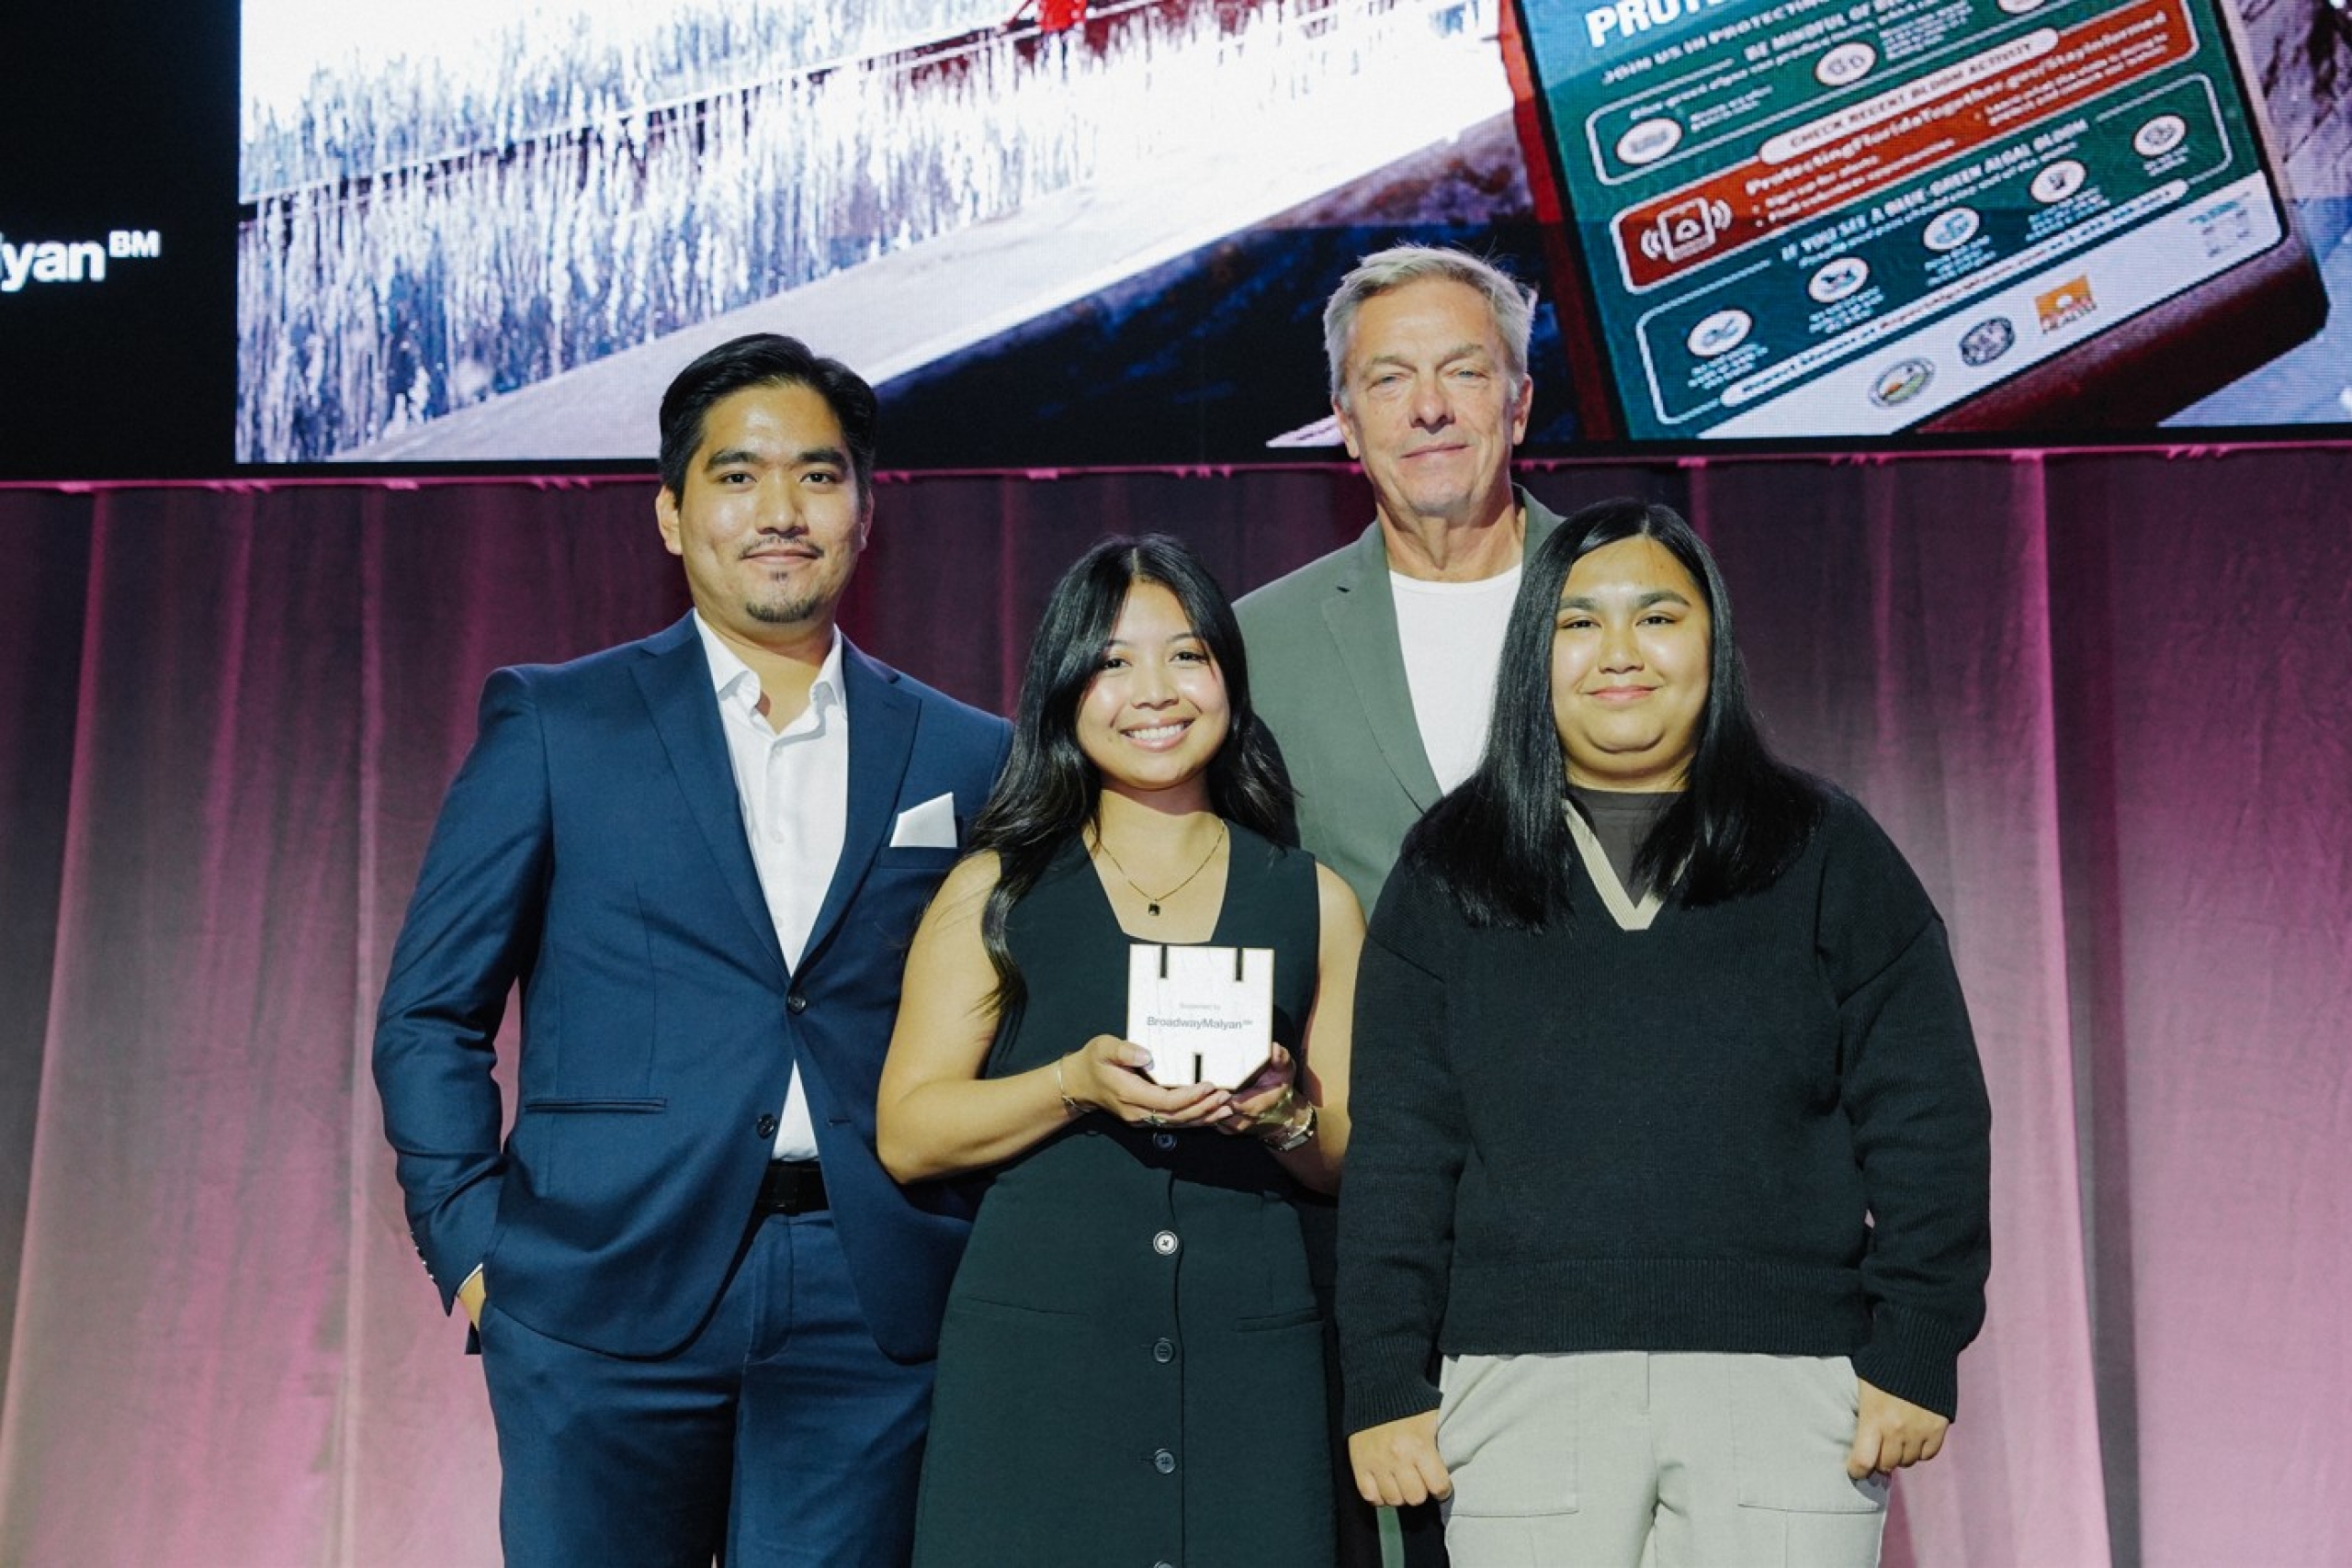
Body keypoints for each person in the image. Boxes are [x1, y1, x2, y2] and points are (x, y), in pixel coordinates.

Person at [372, 333, 1011, 1567]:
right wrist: (473, 1251)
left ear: (864, 512)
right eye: (738, 475)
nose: (781, 509)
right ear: (671, 514)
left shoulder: (963, 751)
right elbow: (431, 1012)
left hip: (870, 1295)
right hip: (596, 1288)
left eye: (818, 476)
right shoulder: (560, 720)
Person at [1339, 499, 1993, 1567]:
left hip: (1790, 1387)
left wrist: (1915, 1343)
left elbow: (1929, 1116)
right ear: (1533, 654)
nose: (1620, 655)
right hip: (1518, 1384)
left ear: (1712, 641)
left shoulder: (1824, 848)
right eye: (1579, 624)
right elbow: (1403, 1147)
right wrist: (1382, 1378)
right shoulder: (1451, 864)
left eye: (1657, 617)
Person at [876, 534, 1364, 1568]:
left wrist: (1281, 1112)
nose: (1153, 691)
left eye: (1185, 656)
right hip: (1039, 1366)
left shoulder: (1311, 899)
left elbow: (1345, 1158)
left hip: (1249, 1365)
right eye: (1110, 661)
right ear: (1063, 690)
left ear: (1229, 676)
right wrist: (1072, 1084)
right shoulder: (997, 891)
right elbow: (909, 1133)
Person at [1235, 243, 1566, 1565]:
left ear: (1519, 401)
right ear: (1347, 422)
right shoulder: (1254, 637)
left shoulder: (1631, 595)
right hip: (1365, 1196)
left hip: (1612, 1193)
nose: (1428, 406)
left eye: (1462, 371)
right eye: (1390, 378)